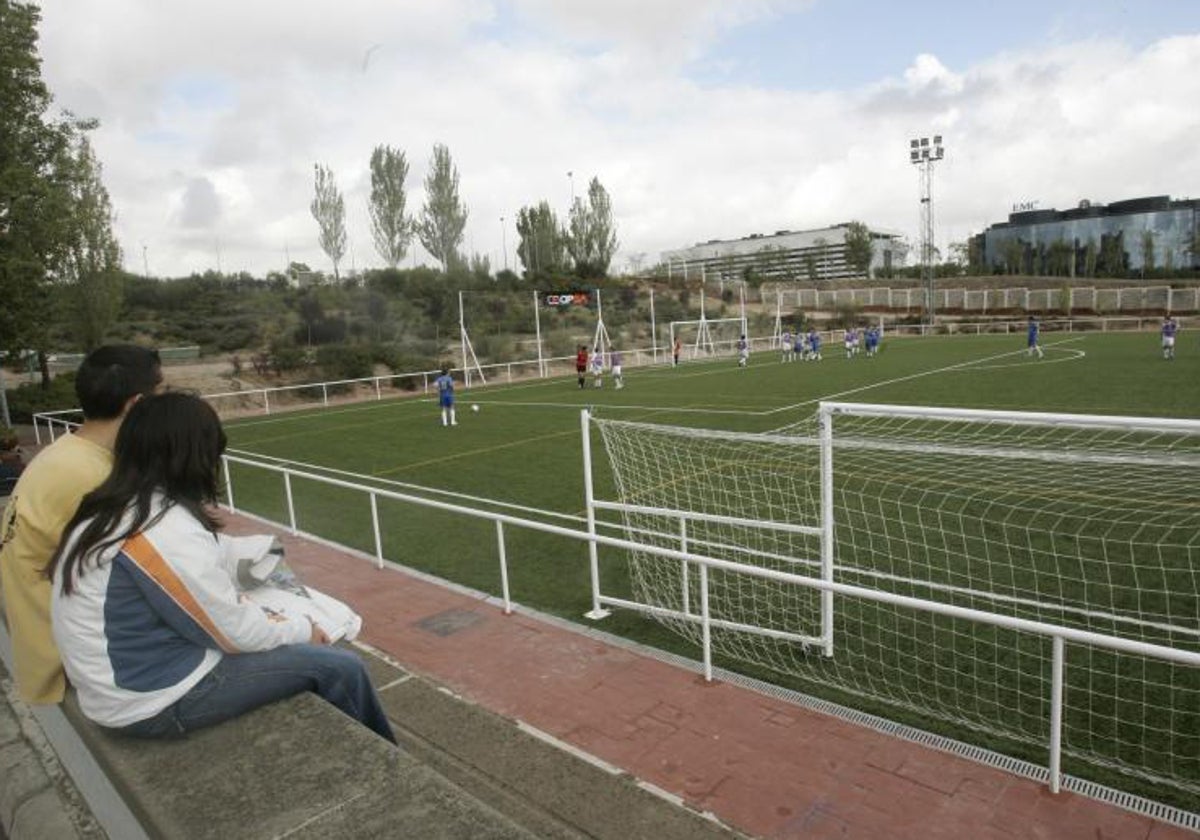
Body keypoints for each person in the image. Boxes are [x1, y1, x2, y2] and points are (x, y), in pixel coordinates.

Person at [48, 392, 396, 743]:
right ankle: (389, 766)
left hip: (121, 687)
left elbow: (197, 573)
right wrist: (305, 630)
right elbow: (234, 634)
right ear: (193, 455)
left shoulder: (114, 507)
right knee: (341, 667)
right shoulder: (161, 527)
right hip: (150, 699)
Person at [0, 345, 163, 705]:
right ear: (135, 406)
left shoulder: (65, 454)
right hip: (65, 659)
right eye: (159, 397)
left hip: (42, 642)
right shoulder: (93, 476)